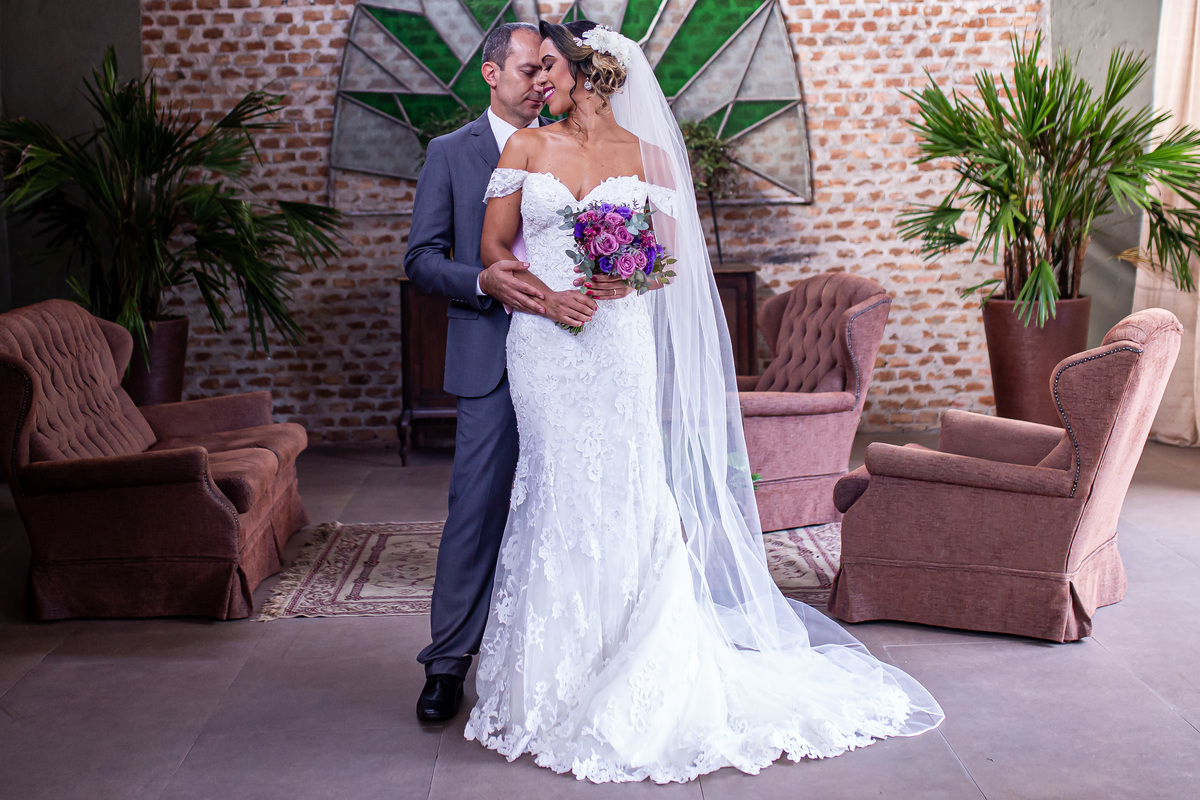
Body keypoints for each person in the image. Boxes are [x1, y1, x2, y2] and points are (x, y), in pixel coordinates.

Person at [461, 20, 945, 783]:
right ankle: (550, 676)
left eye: (551, 68)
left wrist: (631, 277)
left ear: (593, 77)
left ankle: (637, 657)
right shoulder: (524, 148)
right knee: (555, 489)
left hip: (618, 345)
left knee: (625, 487)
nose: (539, 81)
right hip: (544, 347)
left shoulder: (648, 158)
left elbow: (673, 264)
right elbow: (492, 251)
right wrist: (544, 297)